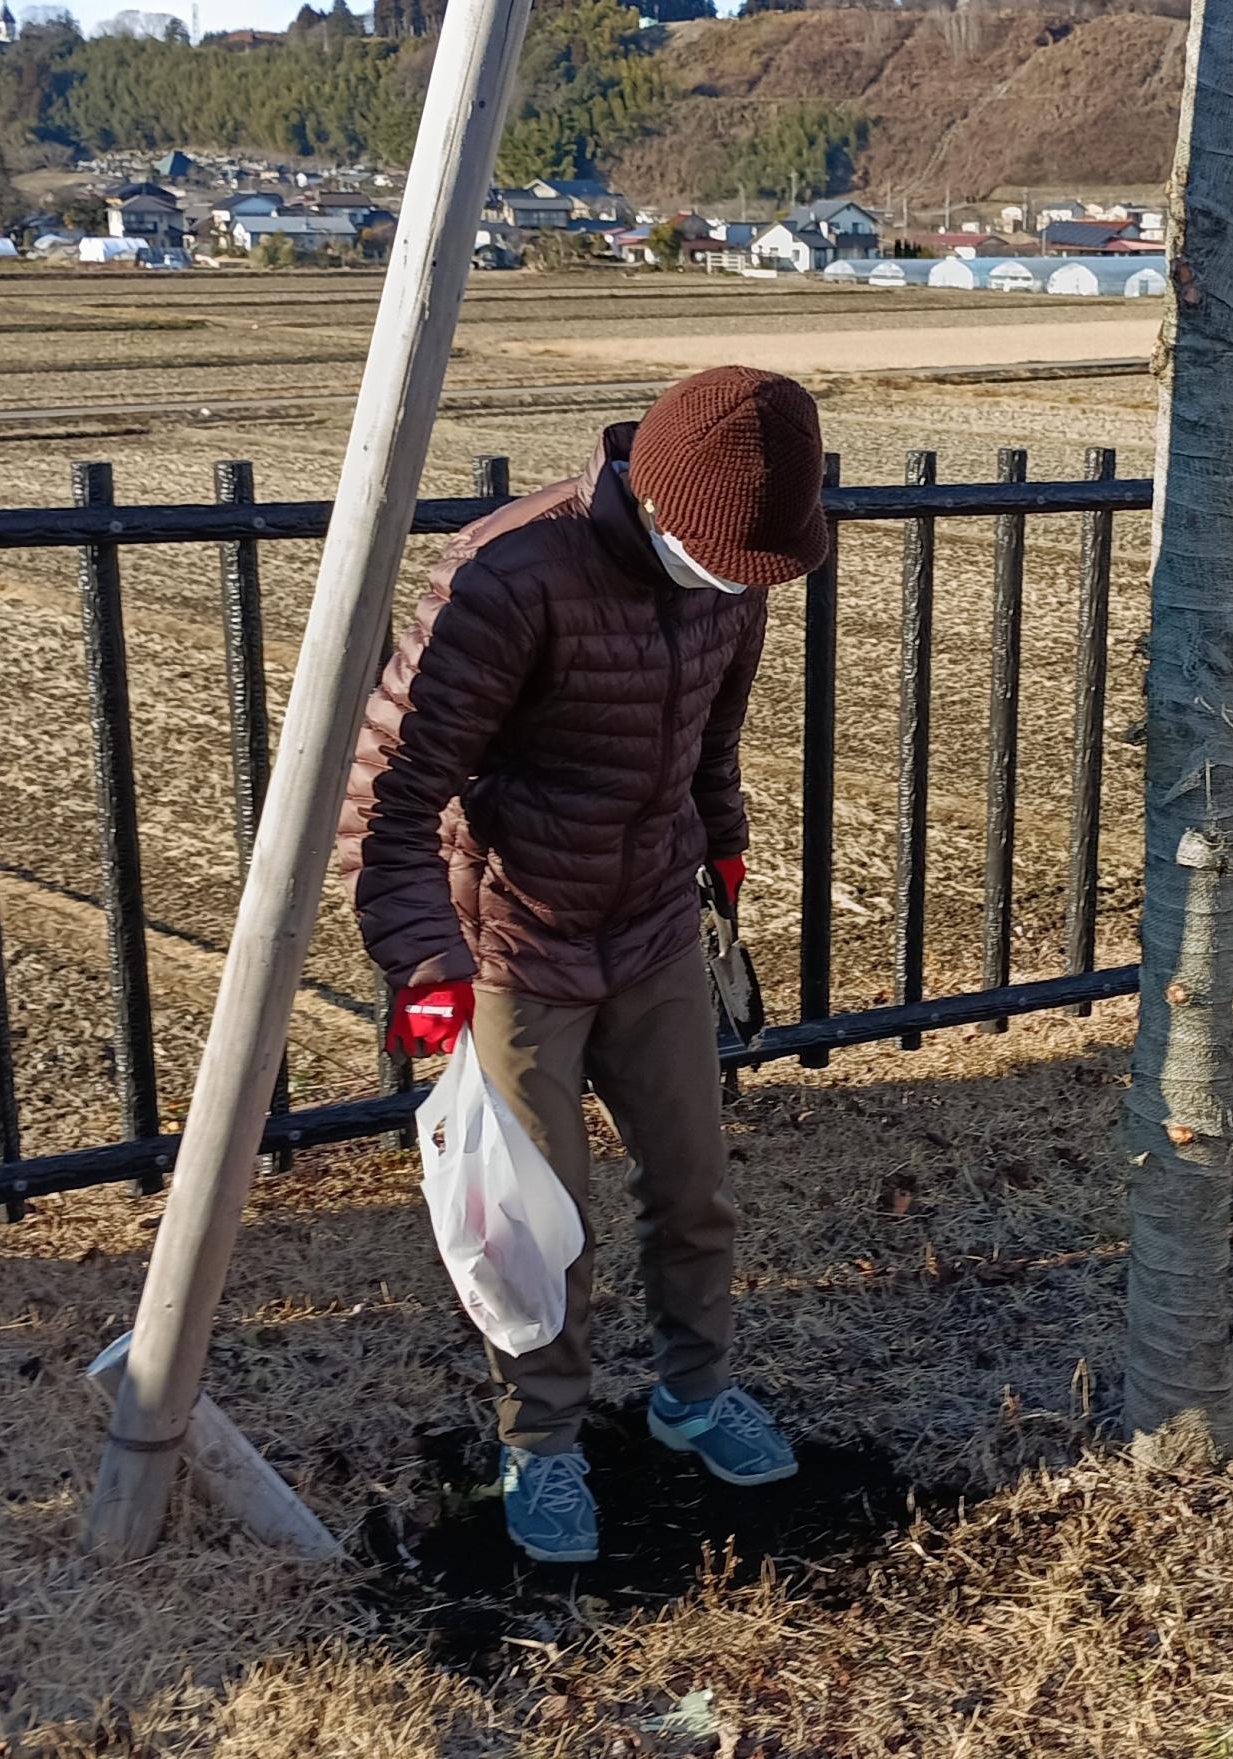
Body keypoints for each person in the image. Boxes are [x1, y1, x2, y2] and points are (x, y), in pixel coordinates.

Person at [339, 366, 828, 1563]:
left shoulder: (739, 566)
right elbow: (386, 798)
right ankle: (544, 1442)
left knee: (694, 1187)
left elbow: (714, 735)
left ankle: (693, 1396)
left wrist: (721, 848)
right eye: (723, 562)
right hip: (516, 945)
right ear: (653, 504)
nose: (740, 585)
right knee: (533, 1225)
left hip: (654, 925)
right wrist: (424, 959)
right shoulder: (510, 579)